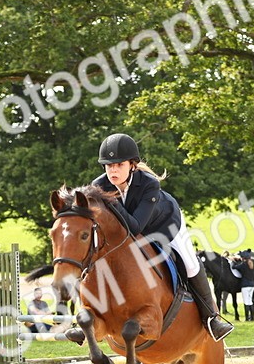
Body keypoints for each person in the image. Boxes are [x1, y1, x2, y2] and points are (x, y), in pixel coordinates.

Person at [91, 133, 232, 340]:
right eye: (108, 165)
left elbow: (136, 226)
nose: (113, 170)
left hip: (165, 226)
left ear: (132, 165)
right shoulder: (100, 186)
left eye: (119, 165)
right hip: (130, 234)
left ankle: (212, 318)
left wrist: (110, 203)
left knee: (190, 263)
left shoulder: (149, 184)